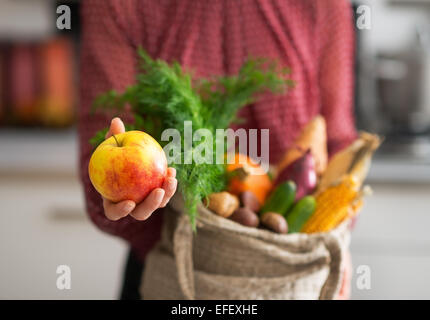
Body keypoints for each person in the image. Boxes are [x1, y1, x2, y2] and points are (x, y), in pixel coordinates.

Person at [79, 0, 357, 299]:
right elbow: (101, 153)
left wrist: (337, 241)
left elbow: (339, 142)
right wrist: (123, 196)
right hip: (173, 265)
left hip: (293, 271)